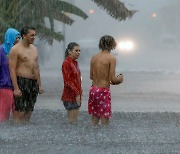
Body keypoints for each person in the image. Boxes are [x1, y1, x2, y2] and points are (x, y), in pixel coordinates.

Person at [8, 26, 44, 124]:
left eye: (35, 35)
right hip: (22, 81)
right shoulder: (15, 49)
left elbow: (36, 67)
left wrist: (39, 85)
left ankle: (25, 132)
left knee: (29, 111)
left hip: (33, 83)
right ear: (24, 36)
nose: (34, 37)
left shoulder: (34, 49)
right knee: (20, 112)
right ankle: (17, 132)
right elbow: (12, 69)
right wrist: (16, 88)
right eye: (31, 35)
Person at [88, 35, 123, 126]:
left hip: (93, 90)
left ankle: (93, 137)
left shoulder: (94, 57)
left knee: (95, 116)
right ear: (112, 45)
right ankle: (105, 138)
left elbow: (91, 76)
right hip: (103, 91)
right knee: (105, 117)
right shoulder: (111, 58)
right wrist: (120, 78)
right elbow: (112, 80)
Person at [0, 28, 21, 122]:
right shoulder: (1, 51)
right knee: (4, 115)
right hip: (5, 86)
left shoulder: (18, 52)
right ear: (10, 38)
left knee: (18, 115)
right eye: (16, 38)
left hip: (18, 87)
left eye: (19, 38)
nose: (18, 40)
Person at [61, 42, 82, 124]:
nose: (78, 53)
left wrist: (80, 93)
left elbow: (77, 80)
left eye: (79, 51)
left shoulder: (75, 63)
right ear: (69, 51)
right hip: (69, 96)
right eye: (76, 50)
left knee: (75, 121)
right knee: (72, 121)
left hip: (76, 95)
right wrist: (77, 93)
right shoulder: (67, 63)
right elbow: (68, 81)